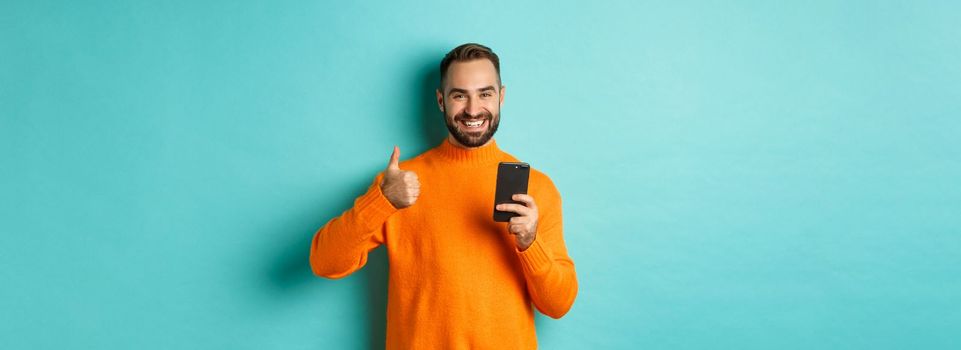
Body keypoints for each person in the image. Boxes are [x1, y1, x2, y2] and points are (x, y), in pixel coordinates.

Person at [309, 43, 578, 349]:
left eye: (485, 93)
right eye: (459, 95)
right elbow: (324, 262)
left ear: (501, 97)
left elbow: (559, 305)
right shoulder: (398, 184)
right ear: (441, 100)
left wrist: (531, 244)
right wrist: (380, 203)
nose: (473, 109)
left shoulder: (537, 188)